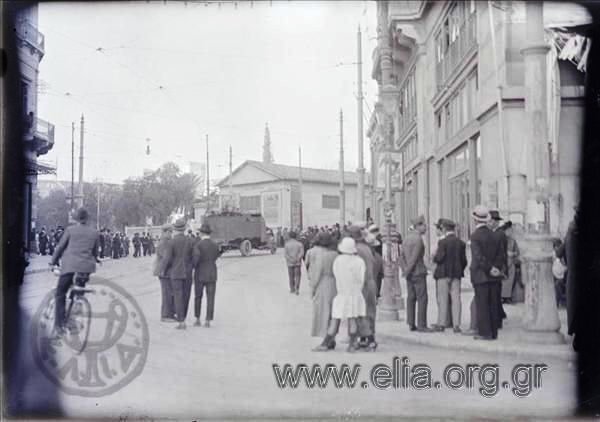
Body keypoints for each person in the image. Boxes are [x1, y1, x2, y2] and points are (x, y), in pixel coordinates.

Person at [49, 208, 100, 335]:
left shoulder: (70, 230)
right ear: (87, 218)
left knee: (60, 293)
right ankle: (73, 322)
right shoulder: (94, 232)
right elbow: (95, 252)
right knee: (78, 292)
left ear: (76, 218)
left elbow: (60, 247)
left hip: (69, 267)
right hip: (86, 269)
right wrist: (96, 259)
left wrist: (53, 262)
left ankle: (59, 326)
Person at [313, 237, 366, 352]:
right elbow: (361, 279)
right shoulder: (359, 261)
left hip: (342, 293)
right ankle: (352, 344)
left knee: (335, 319)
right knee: (352, 319)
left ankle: (326, 343)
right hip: (355, 293)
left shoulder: (338, 260)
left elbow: (336, 275)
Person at [469, 205, 503, 340]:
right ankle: (494, 332)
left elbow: (478, 257)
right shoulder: (495, 235)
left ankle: (485, 332)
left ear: (475, 221)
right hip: (494, 275)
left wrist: (489, 268)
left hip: (480, 274)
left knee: (482, 304)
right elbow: (501, 255)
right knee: (493, 303)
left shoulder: (475, 236)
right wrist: (496, 268)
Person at [432, 219, 467, 333]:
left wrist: (434, 257)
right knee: (456, 299)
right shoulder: (461, 243)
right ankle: (456, 325)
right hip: (456, 274)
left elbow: (439, 258)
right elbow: (464, 261)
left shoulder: (442, 243)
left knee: (443, 299)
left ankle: (441, 324)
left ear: (444, 229)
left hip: (443, 274)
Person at [400, 215, 432, 332]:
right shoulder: (418, 239)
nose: (426, 227)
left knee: (411, 297)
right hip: (418, 271)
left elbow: (401, 256)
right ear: (418, 226)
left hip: (409, 273)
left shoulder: (407, 238)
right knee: (422, 298)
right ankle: (422, 325)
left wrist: (404, 270)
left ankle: (411, 322)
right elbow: (414, 258)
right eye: (424, 225)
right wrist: (408, 270)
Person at [160, 219, 193, 330]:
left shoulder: (171, 242)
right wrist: (191, 266)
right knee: (186, 295)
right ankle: (183, 317)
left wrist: (163, 270)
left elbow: (167, 259)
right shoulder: (190, 241)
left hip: (175, 272)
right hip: (187, 272)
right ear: (184, 229)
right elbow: (196, 256)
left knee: (178, 296)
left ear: (175, 229)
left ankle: (181, 321)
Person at [348, 225, 378, 351]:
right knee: (370, 311)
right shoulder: (366, 248)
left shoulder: (357, 250)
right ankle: (366, 339)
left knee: (361, 311)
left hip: (362, 283)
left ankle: (369, 338)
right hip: (370, 282)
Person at [305, 232, 338, 338]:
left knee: (323, 310)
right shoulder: (335, 254)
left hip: (323, 283)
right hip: (335, 283)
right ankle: (332, 334)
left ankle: (325, 335)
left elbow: (317, 272)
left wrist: (313, 288)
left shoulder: (322, 255)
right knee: (333, 310)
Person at [192, 223, 222, 327]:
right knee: (210, 297)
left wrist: (194, 267)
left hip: (199, 274)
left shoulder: (198, 245)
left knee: (198, 297)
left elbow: (195, 261)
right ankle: (208, 320)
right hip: (212, 273)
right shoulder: (215, 245)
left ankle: (197, 319)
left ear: (201, 233)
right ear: (209, 233)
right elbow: (217, 256)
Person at [557, 206, 578, 348]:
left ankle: (577, 337)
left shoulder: (571, 229)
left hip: (574, 275)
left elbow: (560, 251)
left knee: (575, 305)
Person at [489, 210, 508, 327]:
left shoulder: (499, 234)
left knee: (496, 295)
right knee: (495, 294)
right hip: (496, 267)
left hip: (497, 267)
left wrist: (499, 268)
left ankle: (497, 320)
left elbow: (501, 253)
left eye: (492, 221)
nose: (490, 223)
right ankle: (499, 315)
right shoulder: (495, 233)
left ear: (496, 222)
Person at [154, 224, 176, 322]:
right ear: (165, 232)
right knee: (167, 293)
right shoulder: (165, 242)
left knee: (169, 292)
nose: (171, 234)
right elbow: (166, 258)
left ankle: (170, 314)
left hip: (164, 271)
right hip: (165, 271)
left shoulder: (165, 241)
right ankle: (165, 315)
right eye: (170, 232)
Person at [499, 221, 521, 304]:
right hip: (502, 263)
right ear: (505, 230)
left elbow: (517, 252)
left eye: (511, 231)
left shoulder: (513, 241)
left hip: (511, 263)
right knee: (502, 280)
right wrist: (506, 253)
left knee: (510, 280)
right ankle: (501, 297)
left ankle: (508, 297)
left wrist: (513, 254)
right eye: (509, 230)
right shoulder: (500, 239)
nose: (510, 232)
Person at [552, 238, 567, 308]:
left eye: (557, 247)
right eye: (554, 247)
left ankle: (559, 302)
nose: (555, 248)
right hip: (557, 275)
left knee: (558, 284)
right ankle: (556, 302)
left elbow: (565, 267)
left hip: (563, 277)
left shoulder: (564, 255)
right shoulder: (554, 256)